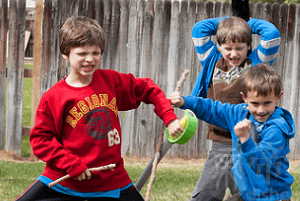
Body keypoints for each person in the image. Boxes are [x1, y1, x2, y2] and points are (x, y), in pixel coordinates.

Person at [15, 16, 183, 201]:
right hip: (64, 182)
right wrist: (70, 163)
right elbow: (41, 139)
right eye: (82, 53)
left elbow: (147, 89)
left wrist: (170, 118)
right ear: (65, 53)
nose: (89, 59)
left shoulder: (111, 82)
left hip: (112, 182)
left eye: (95, 53)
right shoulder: (54, 97)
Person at [170, 63, 295, 201]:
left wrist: (245, 139)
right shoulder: (239, 113)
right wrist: (185, 101)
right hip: (251, 194)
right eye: (255, 103)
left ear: (278, 97)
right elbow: (212, 109)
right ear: (245, 98)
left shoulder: (277, 129)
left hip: (273, 196)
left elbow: (260, 164)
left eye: (267, 103)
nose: (261, 110)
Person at [189, 13, 281, 200]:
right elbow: (199, 30)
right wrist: (227, 21)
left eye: (239, 48)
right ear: (219, 46)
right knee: (204, 196)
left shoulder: (256, 64)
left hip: (250, 144)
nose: (233, 53)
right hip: (220, 143)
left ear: (248, 46)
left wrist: (247, 23)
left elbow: (271, 34)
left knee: (252, 196)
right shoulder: (211, 60)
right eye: (228, 48)